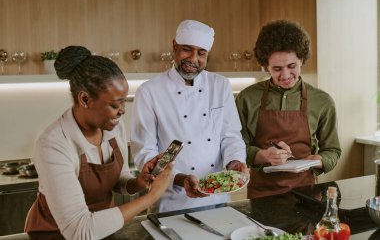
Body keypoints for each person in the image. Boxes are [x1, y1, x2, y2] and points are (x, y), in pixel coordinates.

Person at [24, 46, 174, 240]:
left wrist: (139, 182)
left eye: (123, 102)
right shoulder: (53, 145)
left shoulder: (112, 127)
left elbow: (118, 180)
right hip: (58, 235)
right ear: (85, 99)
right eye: (115, 104)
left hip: (103, 231)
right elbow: (80, 231)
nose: (122, 111)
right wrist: (152, 197)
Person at [131, 19, 248, 213]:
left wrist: (235, 162)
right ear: (174, 46)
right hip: (170, 201)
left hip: (217, 197)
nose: (193, 59)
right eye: (187, 49)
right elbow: (146, 153)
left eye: (201, 53)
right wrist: (179, 179)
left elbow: (231, 136)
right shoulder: (149, 91)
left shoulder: (220, 86)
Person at [235, 20, 341, 198]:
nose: (285, 75)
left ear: (302, 59)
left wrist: (321, 160)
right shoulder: (247, 98)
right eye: (276, 68)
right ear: (265, 65)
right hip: (261, 196)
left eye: (292, 66)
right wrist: (263, 155)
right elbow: (236, 148)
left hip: (306, 195)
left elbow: (333, 150)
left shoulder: (322, 101)